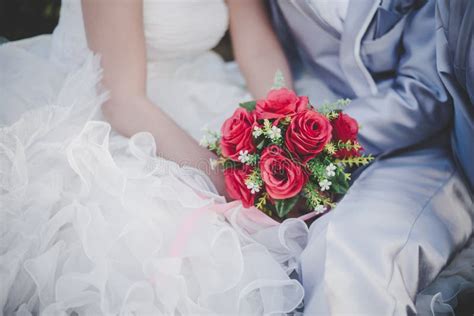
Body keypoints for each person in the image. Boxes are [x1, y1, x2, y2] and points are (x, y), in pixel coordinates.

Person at [0, 0, 306, 314]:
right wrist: (231, 182)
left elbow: (256, 45)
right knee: (180, 240)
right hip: (107, 108)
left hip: (195, 86)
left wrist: (290, 136)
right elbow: (122, 102)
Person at [258, 0, 473, 314]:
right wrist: (275, 135)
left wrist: (309, 138)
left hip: (426, 147)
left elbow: (427, 93)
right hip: (313, 104)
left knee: (350, 256)